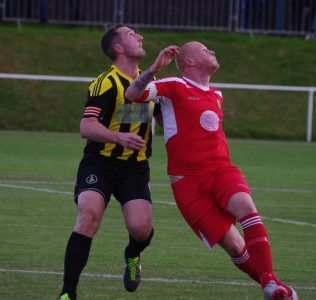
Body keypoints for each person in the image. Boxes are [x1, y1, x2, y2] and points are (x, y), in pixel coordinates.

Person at [125, 42, 298, 300]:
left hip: (220, 169)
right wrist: (154, 68)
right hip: (188, 183)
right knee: (235, 246)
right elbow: (132, 95)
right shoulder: (175, 85)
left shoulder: (217, 95)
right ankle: (271, 285)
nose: (213, 52)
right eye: (206, 50)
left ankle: (271, 284)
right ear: (190, 62)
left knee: (246, 207)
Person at [58, 24, 162, 300]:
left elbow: (166, 119)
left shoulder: (152, 86)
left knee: (141, 229)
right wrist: (119, 138)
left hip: (135, 168)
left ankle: (132, 255)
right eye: (131, 34)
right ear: (117, 48)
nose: (139, 36)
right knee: (89, 214)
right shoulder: (106, 82)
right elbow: (86, 126)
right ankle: (67, 294)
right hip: (100, 163)